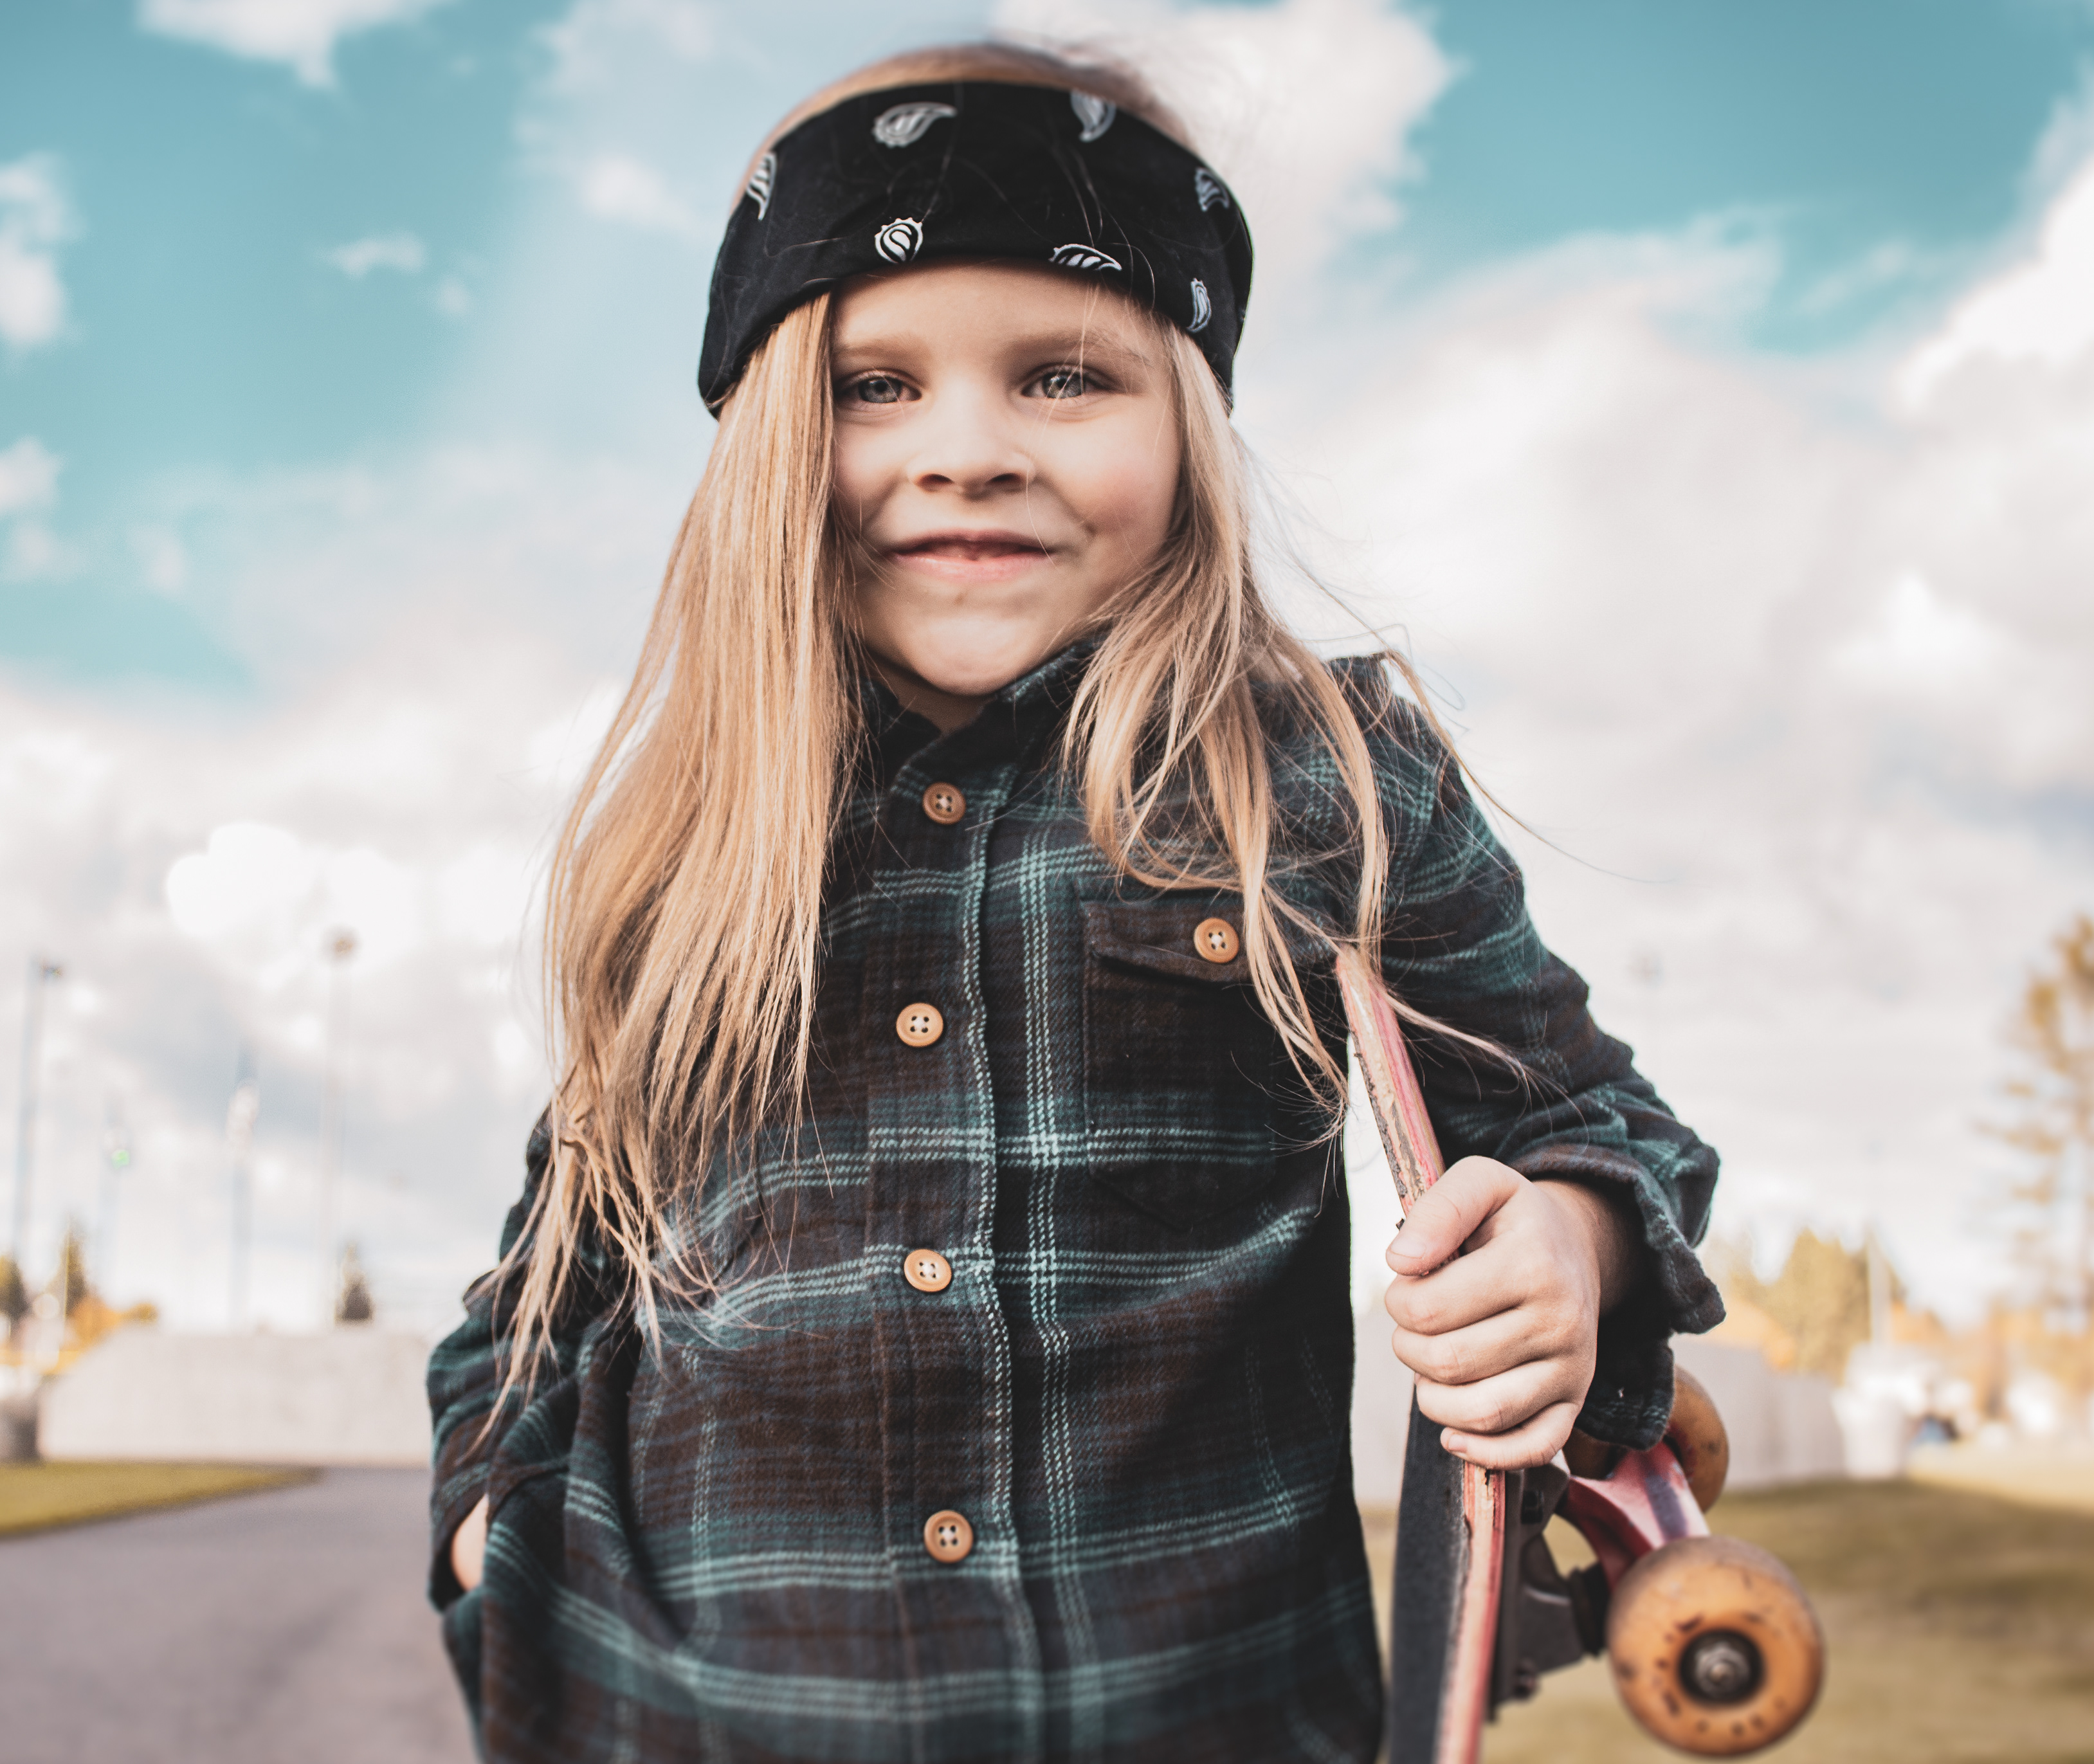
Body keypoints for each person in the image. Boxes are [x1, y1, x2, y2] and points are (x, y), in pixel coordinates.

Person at [426, 40, 1721, 1763]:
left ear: (1186, 421)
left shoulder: (1321, 778)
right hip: (696, 1717)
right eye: (876, 385)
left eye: (1062, 377)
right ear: (769, 440)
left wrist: (1567, 1245)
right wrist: (494, 1537)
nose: (968, 450)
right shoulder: (691, 853)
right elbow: (537, 1305)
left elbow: (1597, 1130)